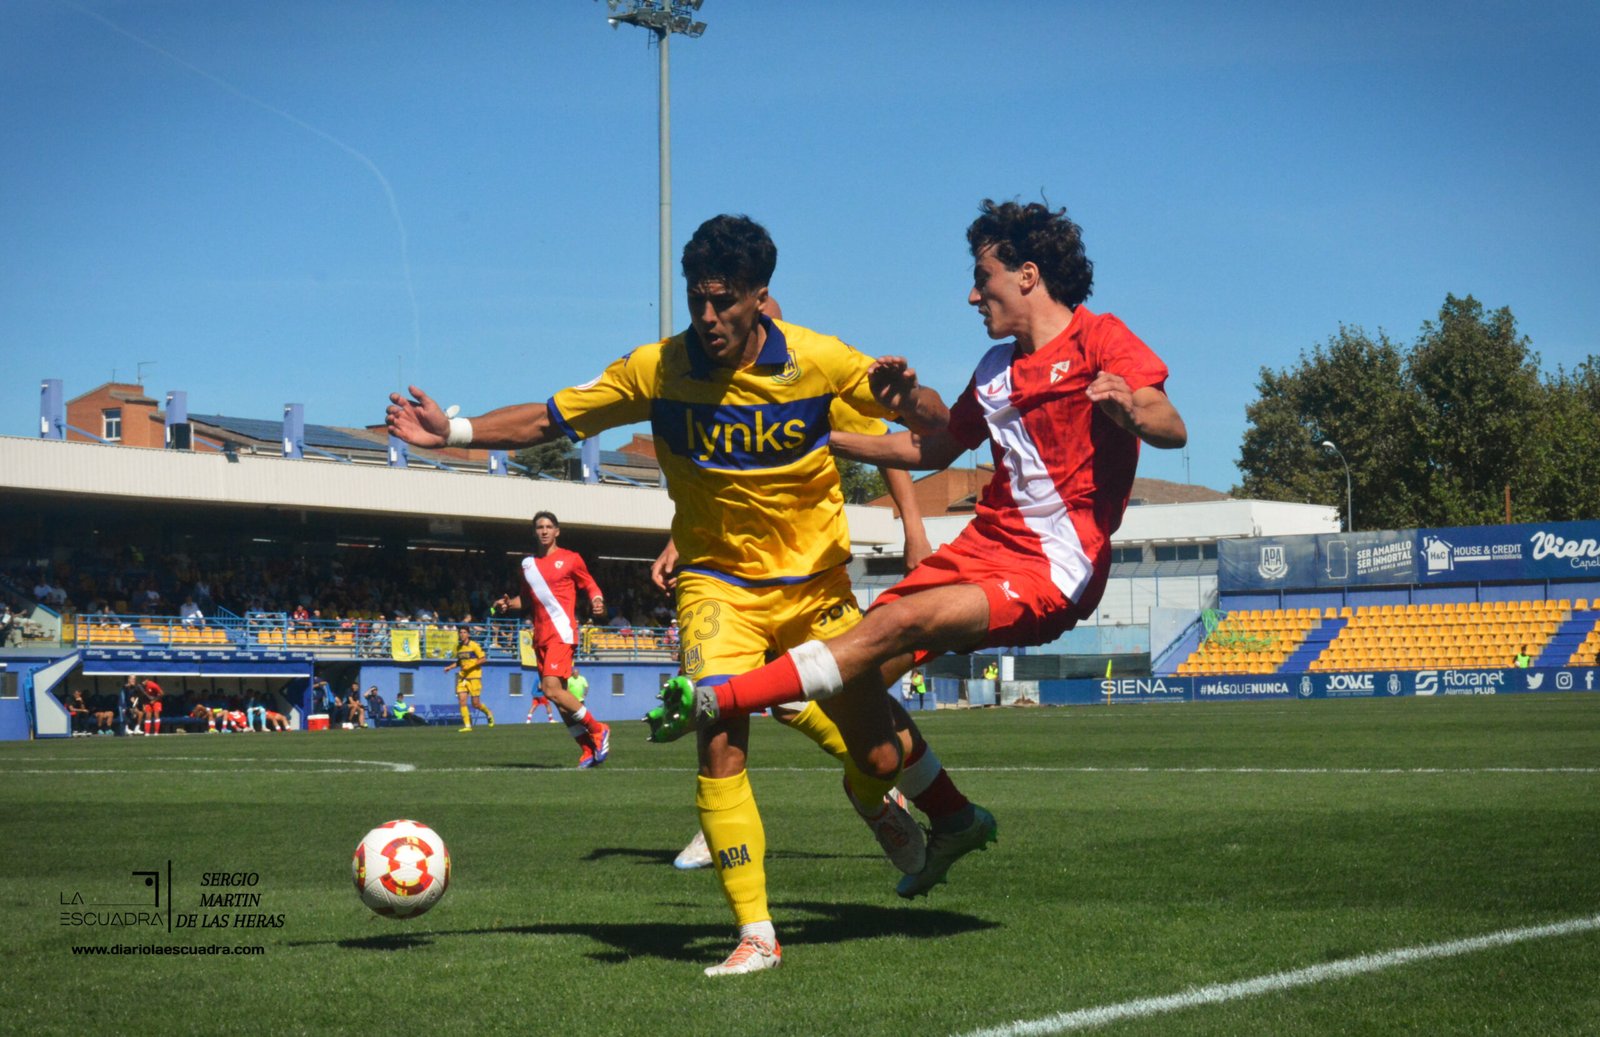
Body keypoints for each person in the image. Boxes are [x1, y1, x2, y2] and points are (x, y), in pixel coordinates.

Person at [388, 213, 966, 976]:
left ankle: (877, 797)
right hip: (717, 586)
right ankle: (757, 932)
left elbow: (938, 427)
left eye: (724, 301)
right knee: (719, 728)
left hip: (817, 587)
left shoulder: (822, 362)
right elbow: (547, 418)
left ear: (761, 297)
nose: (707, 317)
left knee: (880, 750)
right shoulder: (658, 370)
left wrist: (912, 395)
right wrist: (452, 432)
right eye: (697, 299)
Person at [649, 199, 1188, 900]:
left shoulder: (1099, 339)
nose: (972, 293)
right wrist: (825, 434)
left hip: (1055, 565)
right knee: (855, 682)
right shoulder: (995, 368)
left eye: (982, 276)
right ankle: (950, 815)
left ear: (1027, 275)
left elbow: (1169, 422)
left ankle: (717, 698)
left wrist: (1130, 408)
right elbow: (930, 445)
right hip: (984, 546)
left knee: (890, 625)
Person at [652, 294, 936, 876]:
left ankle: (877, 785)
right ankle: (723, 825)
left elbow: (889, 447)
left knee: (827, 699)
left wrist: (913, 529)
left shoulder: (811, 372)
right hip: (730, 579)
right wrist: (679, 541)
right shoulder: (717, 383)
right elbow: (718, 482)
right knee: (736, 701)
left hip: (808, 574)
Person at [490, 512, 609, 766]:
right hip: (540, 636)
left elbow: (590, 585)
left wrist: (597, 600)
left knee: (550, 690)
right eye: (539, 527)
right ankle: (587, 749)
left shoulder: (570, 559)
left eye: (548, 527)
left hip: (561, 633)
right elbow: (526, 600)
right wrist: (508, 604)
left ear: (557, 531)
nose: (544, 531)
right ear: (535, 532)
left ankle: (598, 729)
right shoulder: (527, 565)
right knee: (561, 700)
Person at [442, 626, 495, 732]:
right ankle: (467, 726)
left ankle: (488, 712)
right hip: (463, 677)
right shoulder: (459, 647)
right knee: (462, 701)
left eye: (464, 632)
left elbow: (483, 659)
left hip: (474, 676)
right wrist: (450, 667)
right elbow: (460, 661)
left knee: (476, 704)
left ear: (468, 634)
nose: (462, 634)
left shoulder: (474, 645)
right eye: (460, 632)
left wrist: (471, 666)